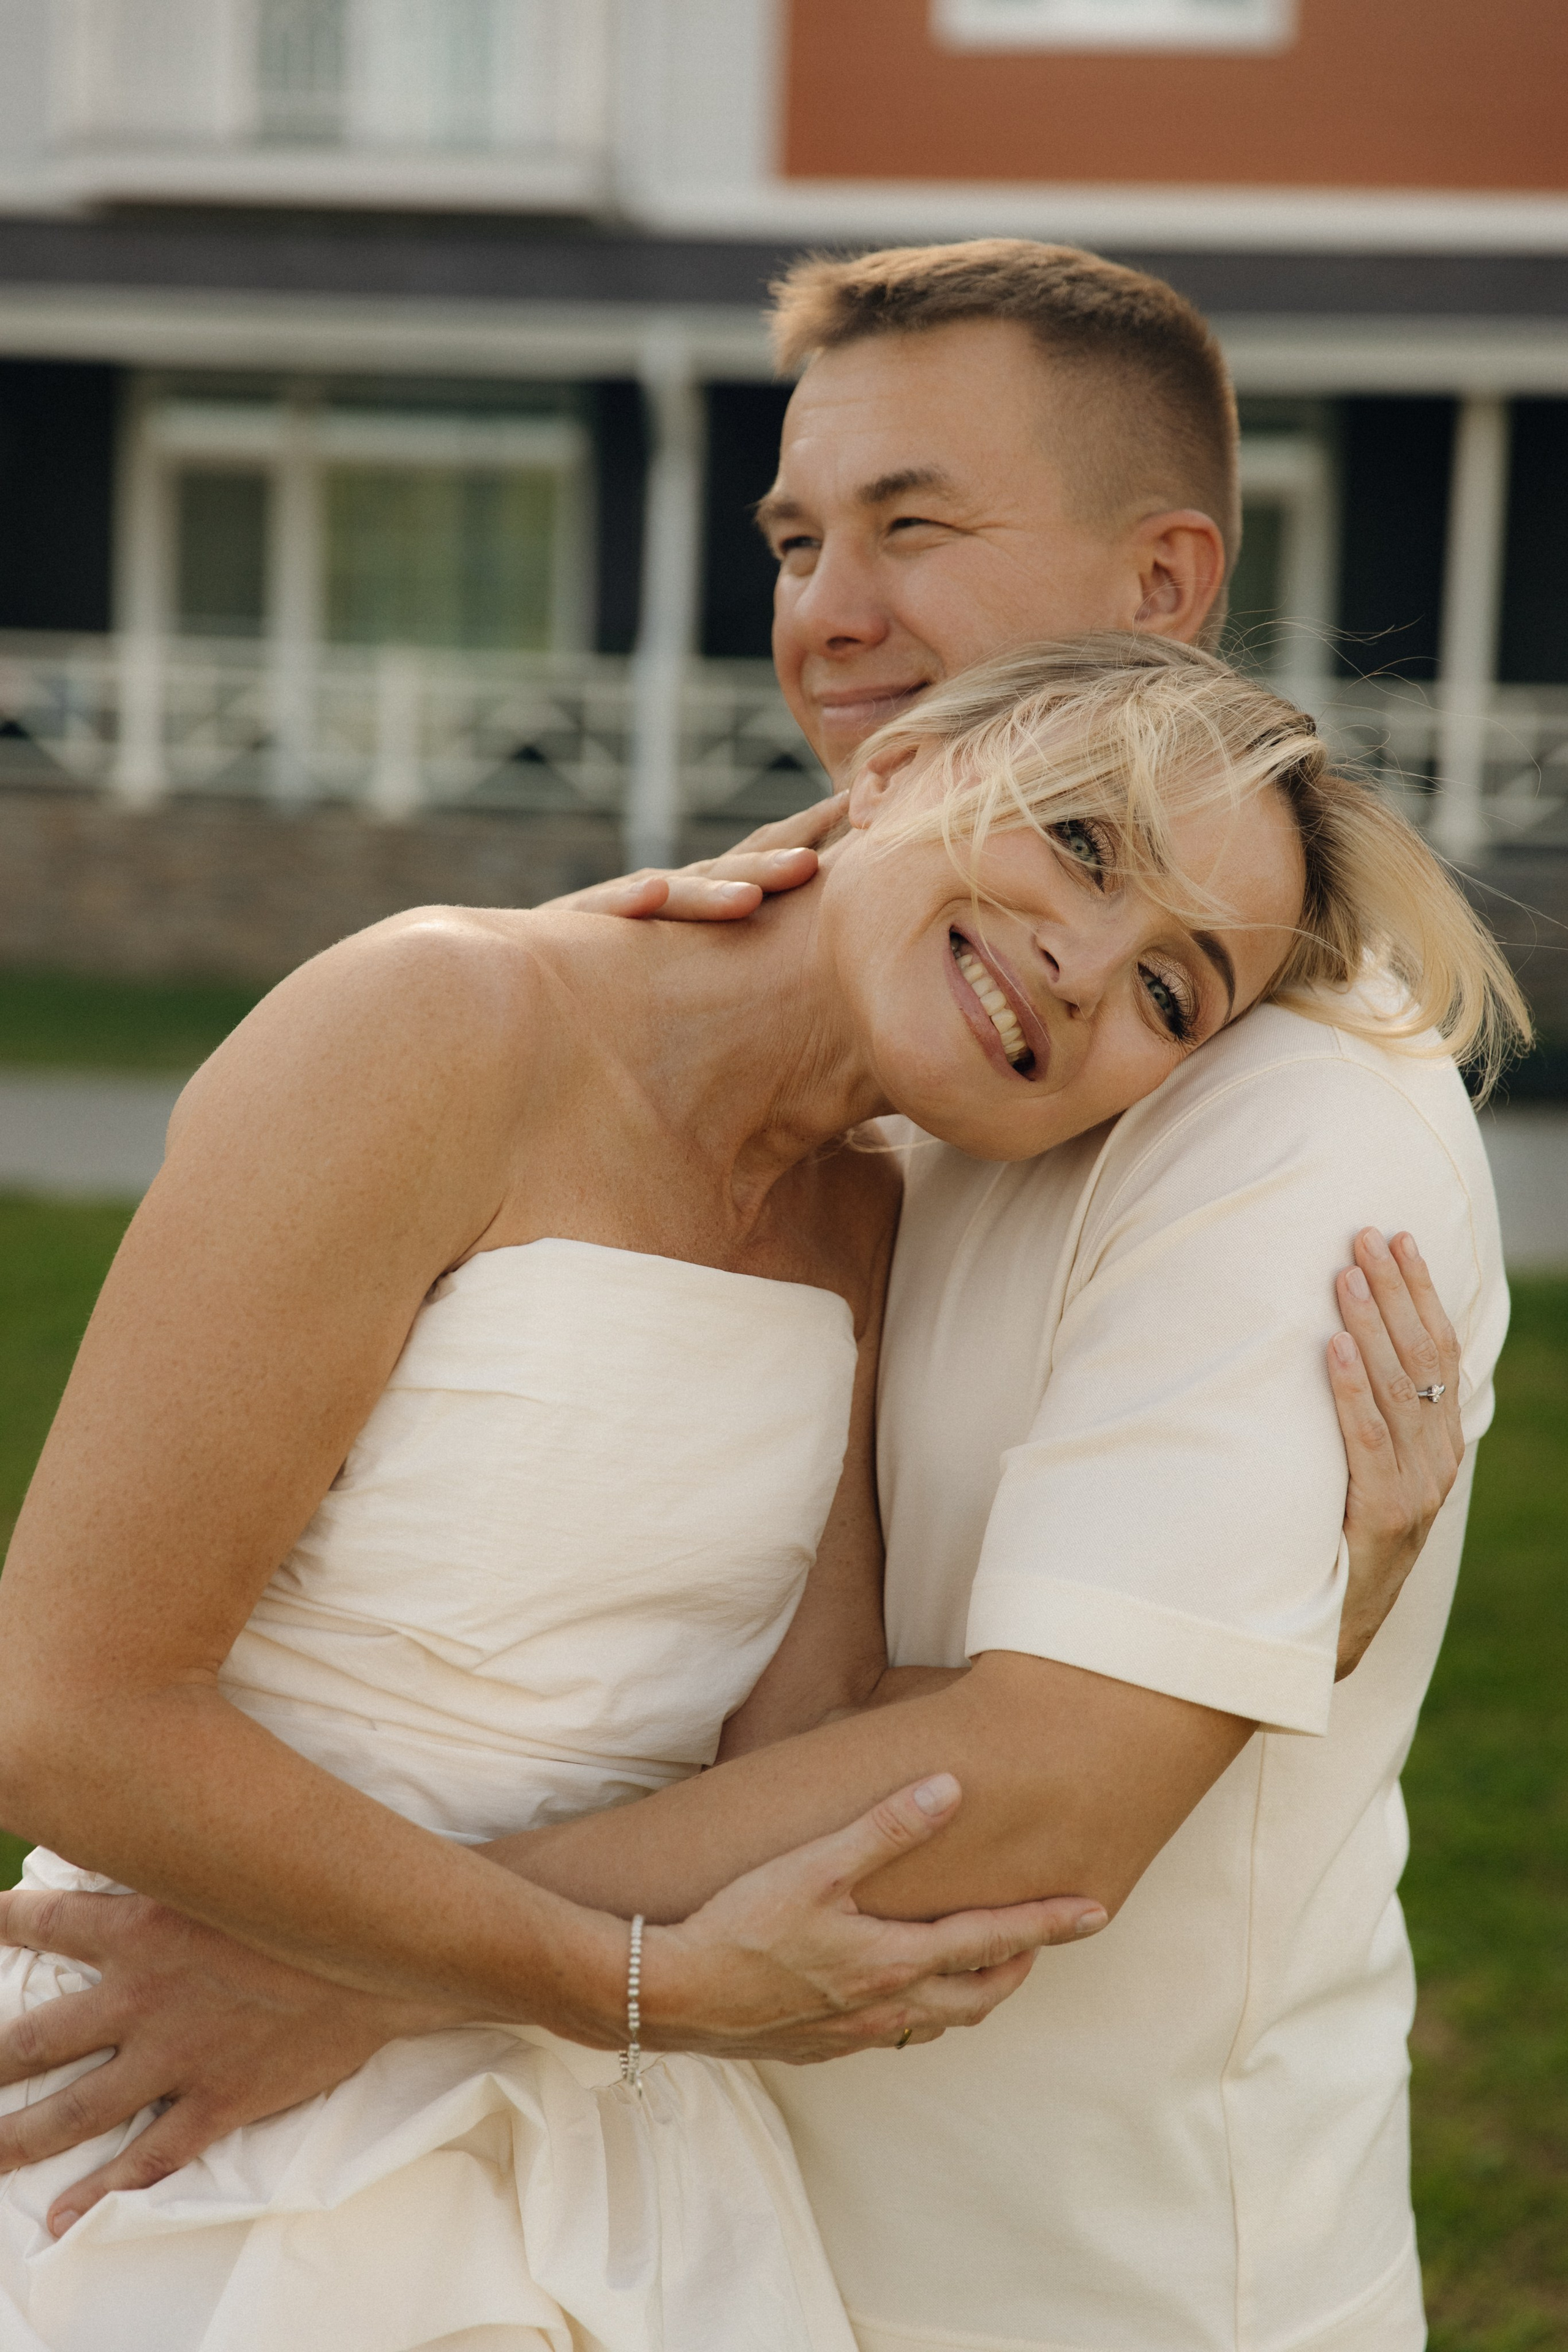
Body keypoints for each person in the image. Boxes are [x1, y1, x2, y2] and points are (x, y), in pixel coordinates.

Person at [0, 244, 1527, 2352]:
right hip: (250, 2149)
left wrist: (1296, 1610)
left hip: (1007, 2242)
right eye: (805, 537)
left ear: (1163, 583)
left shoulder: (1207, 1136)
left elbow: (966, 1766)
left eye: (918, 526)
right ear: (897, 793)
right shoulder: (560, 1029)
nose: (830, 609)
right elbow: (65, 1697)